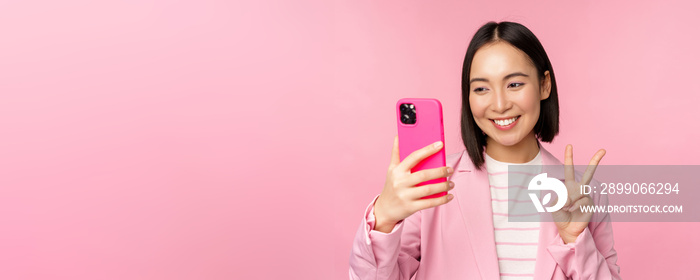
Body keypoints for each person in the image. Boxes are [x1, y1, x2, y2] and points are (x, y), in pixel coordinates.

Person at [348, 21, 621, 280]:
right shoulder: (431, 186)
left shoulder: (585, 194)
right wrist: (383, 217)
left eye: (514, 84)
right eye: (481, 88)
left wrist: (576, 241)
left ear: (544, 85)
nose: (500, 104)